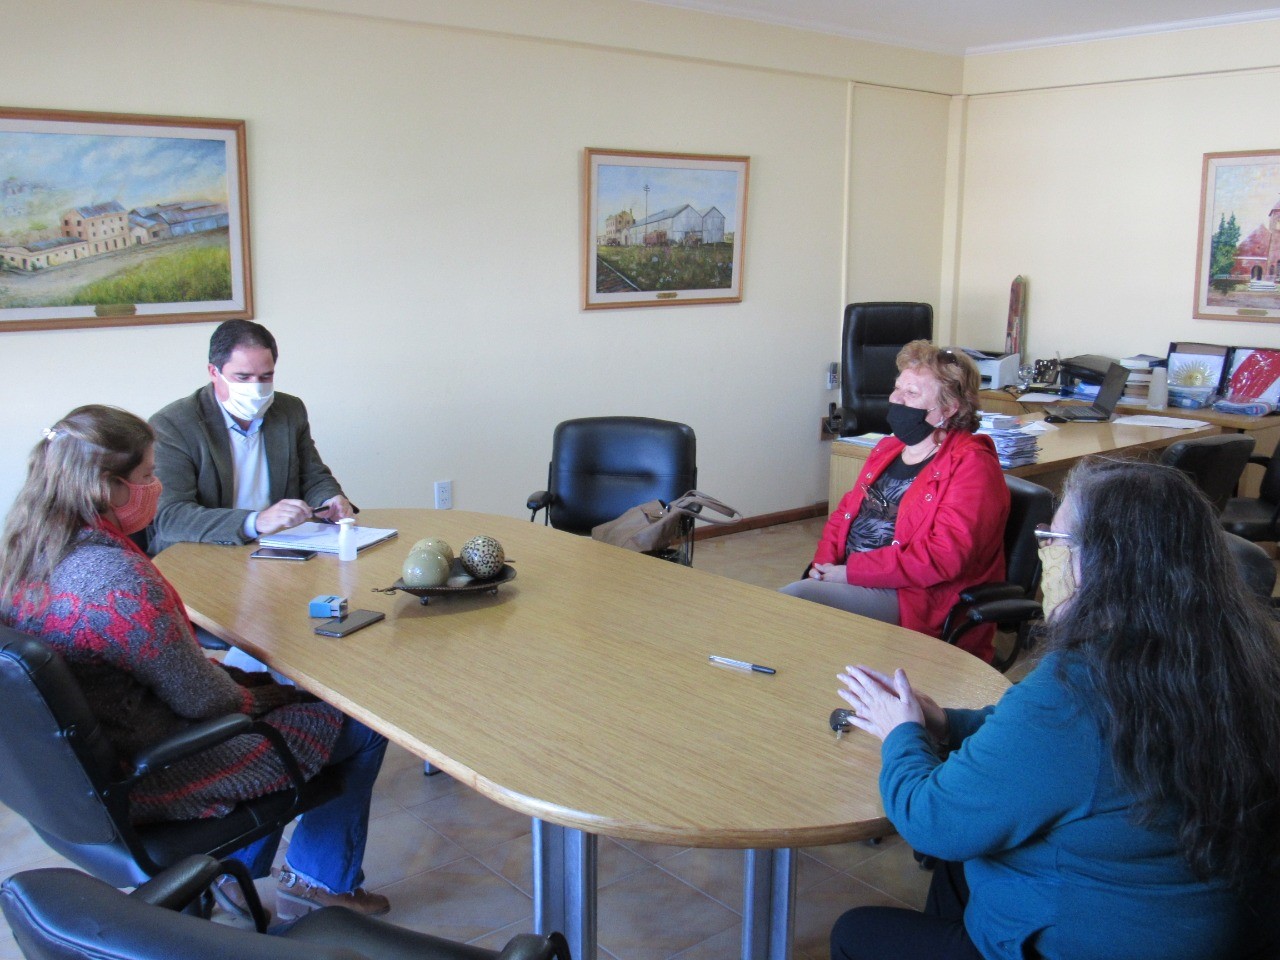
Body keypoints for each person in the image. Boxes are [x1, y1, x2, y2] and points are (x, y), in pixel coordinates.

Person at [830, 457, 1280, 960]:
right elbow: (1051, 755)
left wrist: (902, 734)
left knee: (855, 932)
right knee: (963, 867)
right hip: (1193, 920)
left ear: (1107, 564)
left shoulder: (1081, 688)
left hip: (1092, 939)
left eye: (1055, 542)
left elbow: (931, 821)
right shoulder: (1230, 654)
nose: (1047, 556)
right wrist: (945, 724)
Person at [0, 406, 388, 921]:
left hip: (74, 784)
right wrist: (278, 694)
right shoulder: (114, 576)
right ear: (105, 487)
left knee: (274, 692)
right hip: (156, 769)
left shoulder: (25, 553)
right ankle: (312, 882)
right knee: (358, 719)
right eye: (146, 476)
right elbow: (207, 701)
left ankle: (232, 876)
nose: (156, 486)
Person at [781, 342, 1009, 662]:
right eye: (897, 387)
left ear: (949, 407)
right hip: (855, 576)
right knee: (795, 606)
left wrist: (849, 573)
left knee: (794, 601)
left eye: (911, 393)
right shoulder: (890, 448)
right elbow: (846, 514)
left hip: (912, 596)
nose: (895, 400)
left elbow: (942, 558)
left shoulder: (972, 466)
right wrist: (822, 567)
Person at [147, 319, 354, 556]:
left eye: (266, 377)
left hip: (276, 548)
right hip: (200, 551)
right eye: (243, 378)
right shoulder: (173, 423)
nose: (256, 388)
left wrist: (330, 498)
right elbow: (170, 516)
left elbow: (312, 475)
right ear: (214, 372)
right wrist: (255, 522)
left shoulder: (289, 410)